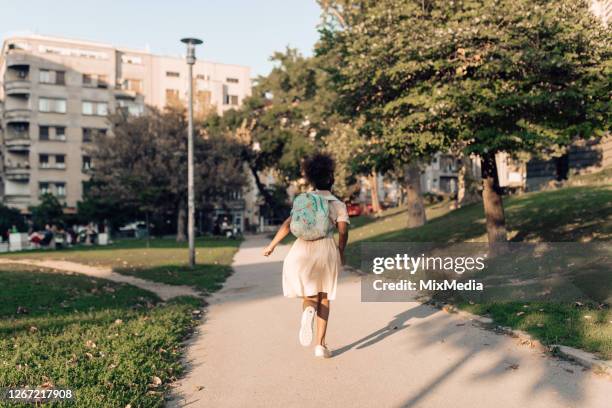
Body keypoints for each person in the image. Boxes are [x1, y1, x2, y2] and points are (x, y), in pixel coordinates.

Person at [263, 152, 350, 358]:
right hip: (325, 249)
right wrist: (341, 251)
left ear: (312, 179)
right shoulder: (337, 204)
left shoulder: (304, 201)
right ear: (331, 179)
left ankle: (307, 311)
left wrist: (272, 245)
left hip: (301, 250)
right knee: (325, 297)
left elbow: (287, 224)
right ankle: (320, 345)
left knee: (309, 295)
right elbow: (343, 231)